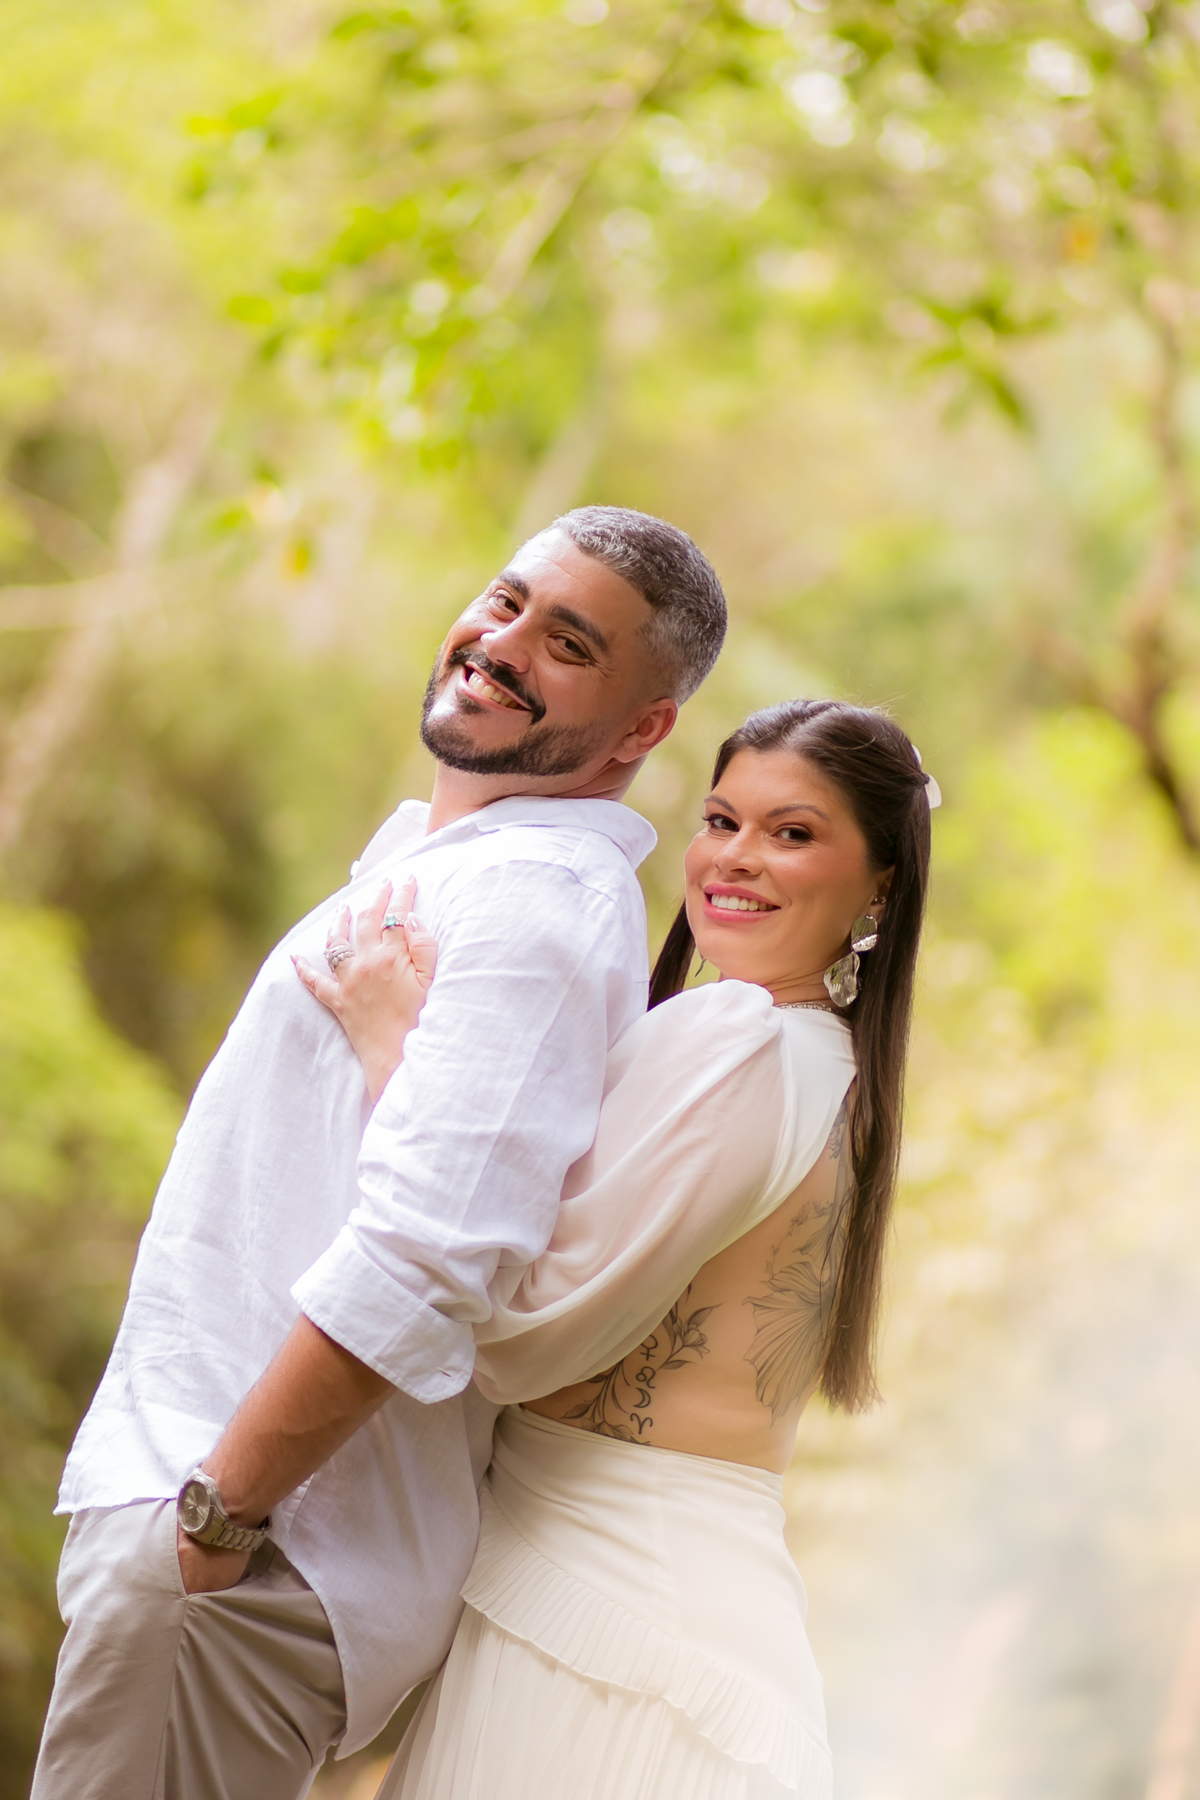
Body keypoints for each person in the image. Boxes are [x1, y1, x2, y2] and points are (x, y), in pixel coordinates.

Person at [32, 507, 727, 1800]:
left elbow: (427, 1259)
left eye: (567, 642)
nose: (503, 642)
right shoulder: (455, 868)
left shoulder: (533, 907)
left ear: (643, 731)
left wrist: (213, 1518)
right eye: (507, 598)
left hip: (251, 1558)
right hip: (213, 1546)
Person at [300, 697, 937, 1800]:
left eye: (792, 833)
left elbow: (520, 1334)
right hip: (685, 1616)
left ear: (878, 885)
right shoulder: (835, 1073)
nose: (735, 859)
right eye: (721, 819)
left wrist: (393, 1054)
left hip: (603, 1623)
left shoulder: (736, 1040)